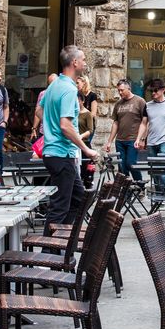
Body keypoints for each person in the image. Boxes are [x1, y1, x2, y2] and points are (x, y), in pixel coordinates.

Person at [41, 46, 97, 230]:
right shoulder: (68, 89)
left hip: (56, 153)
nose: (85, 62)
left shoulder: (54, 86)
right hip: (61, 153)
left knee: (79, 198)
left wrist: (51, 126)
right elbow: (66, 125)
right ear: (74, 63)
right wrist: (86, 149)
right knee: (59, 206)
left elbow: (39, 110)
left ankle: (62, 240)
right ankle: (51, 251)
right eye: (83, 59)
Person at [104, 79, 146, 182]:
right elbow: (115, 123)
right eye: (118, 90)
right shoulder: (118, 103)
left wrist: (142, 139)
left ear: (129, 88)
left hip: (133, 139)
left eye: (122, 90)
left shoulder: (140, 101)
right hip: (120, 140)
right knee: (122, 167)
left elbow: (145, 122)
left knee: (131, 164)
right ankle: (125, 190)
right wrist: (109, 142)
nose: (120, 92)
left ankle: (140, 186)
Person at [32, 73, 58, 137]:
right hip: (44, 131)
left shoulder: (62, 94)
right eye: (51, 83)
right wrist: (34, 128)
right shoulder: (43, 94)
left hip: (57, 132)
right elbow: (37, 112)